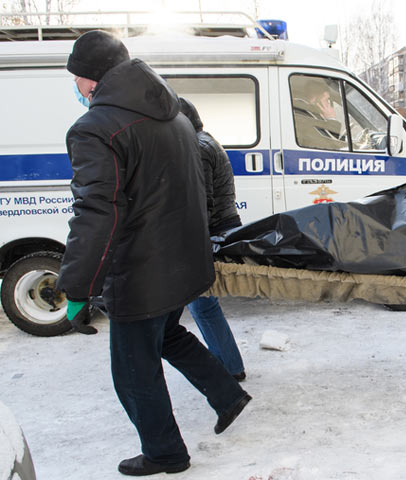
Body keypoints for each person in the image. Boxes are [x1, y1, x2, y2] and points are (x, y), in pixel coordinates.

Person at [57, 30, 252, 476]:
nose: (76, 88)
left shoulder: (94, 129)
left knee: (133, 368)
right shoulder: (176, 117)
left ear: (91, 79)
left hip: (140, 272)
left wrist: (76, 286)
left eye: (76, 79)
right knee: (168, 336)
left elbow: (96, 213)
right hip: (183, 262)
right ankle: (227, 393)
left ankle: (166, 452)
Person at [178, 97, 246, 382]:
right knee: (202, 304)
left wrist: (193, 242)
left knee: (202, 303)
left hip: (214, 230)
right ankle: (228, 364)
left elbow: (201, 202)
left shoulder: (200, 148)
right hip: (218, 227)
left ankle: (229, 367)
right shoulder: (203, 141)